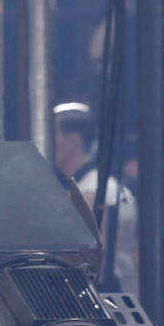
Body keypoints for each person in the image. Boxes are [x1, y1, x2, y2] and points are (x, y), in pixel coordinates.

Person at [53, 102, 139, 297]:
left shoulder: (89, 194)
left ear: (74, 141)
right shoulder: (112, 186)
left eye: (53, 135)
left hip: (102, 300)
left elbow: (89, 263)